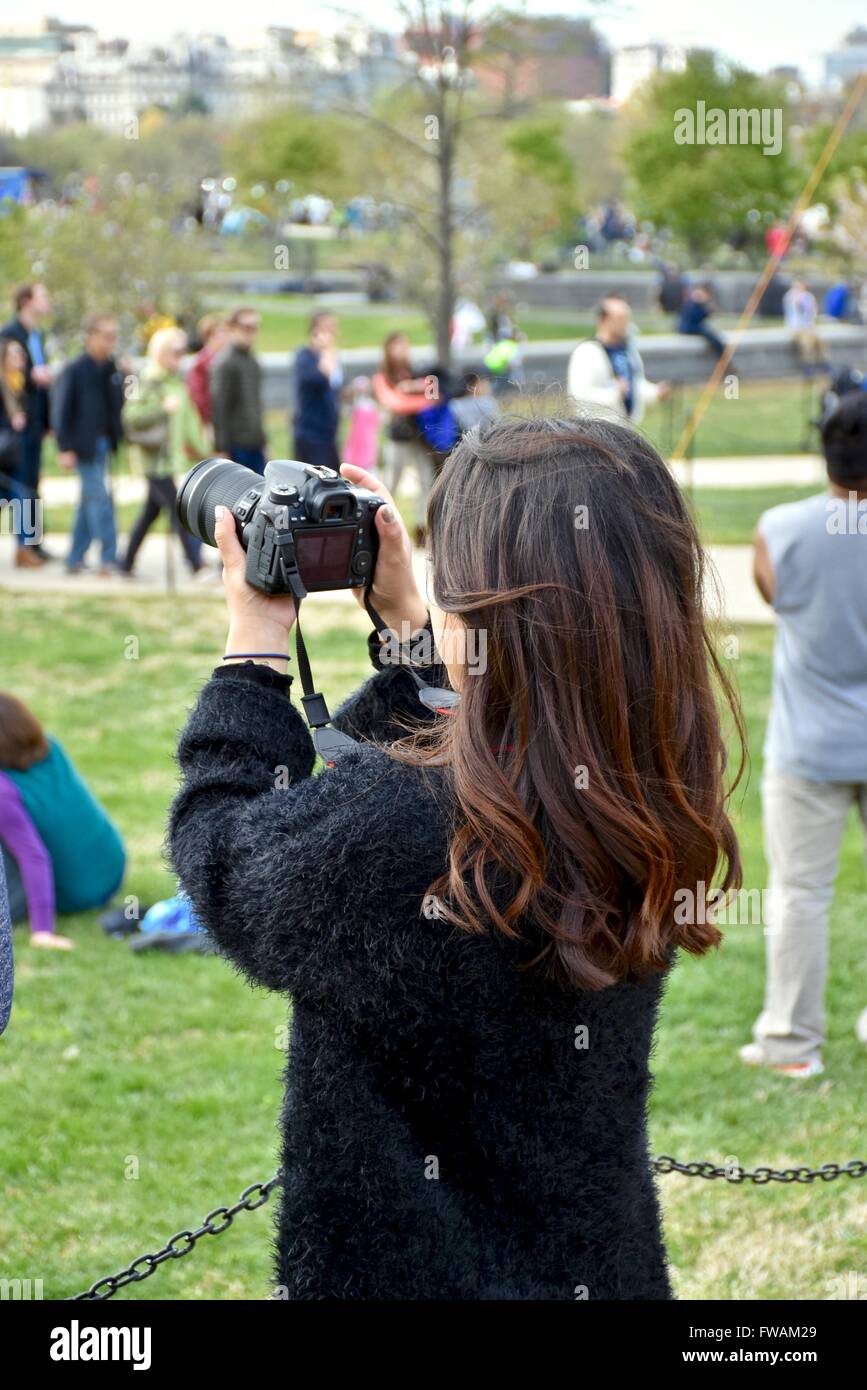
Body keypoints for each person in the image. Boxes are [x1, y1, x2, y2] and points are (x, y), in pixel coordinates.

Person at [169, 413, 742, 1300]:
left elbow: (224, 859)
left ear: (485, 598)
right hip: (598, 1264)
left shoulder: (397, 833)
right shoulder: (646, 790)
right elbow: (487, 735)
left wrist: (252, 656)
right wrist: (408, 638)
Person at [746, 392, 867, 1078]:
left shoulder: (781, 528)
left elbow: (772, 594)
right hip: (822, 743)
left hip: (810, 745)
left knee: (798, 895)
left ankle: (791, 1043)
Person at [0, 692, 125, 943]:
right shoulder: (51, 748)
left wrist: (43, 932)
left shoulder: (3, 791)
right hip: (110, 872)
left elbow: (32, 854)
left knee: (12, 835)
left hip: (72, 892)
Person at [120, 327, 209, 578]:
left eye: (183, 351)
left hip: (169, 461)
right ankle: (196, 565)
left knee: (151, 513)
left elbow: (189, 421)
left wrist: (206, 450)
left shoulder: (175, 381)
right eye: (175, 351)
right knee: (180, 511)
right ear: (160, 351)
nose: (180, 356)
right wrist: (161, 408)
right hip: (153, 461)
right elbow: (130, 416)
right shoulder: (144, 379)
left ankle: (125, 564)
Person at [52, 312, 124, 576]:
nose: (111, 341)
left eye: (114, 336)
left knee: (87, 501)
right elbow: (60, 411)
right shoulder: (75, 369)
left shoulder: (111, 368)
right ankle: (108, 557)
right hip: (83, 446)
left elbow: (118, 404)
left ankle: (74, 557)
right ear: (91, 337)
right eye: (106, 336)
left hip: (104, 443)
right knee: (100, 500)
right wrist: (64, 447)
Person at [1, 282, 54, 563]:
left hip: (34, 423)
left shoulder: (38, 335)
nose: (48, 300)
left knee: (33, 485)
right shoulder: (9, 334)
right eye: (43, 295)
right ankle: (23, 547)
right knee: (19, 487)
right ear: (26, 301)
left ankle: (32, 544)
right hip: (14, 428)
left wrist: (47, 422)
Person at [372, 332, 437, 546]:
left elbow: (434, 394)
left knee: (427, 481)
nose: (402, 350)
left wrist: (412, 390)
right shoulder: (382, 375)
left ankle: (420, 527)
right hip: (397, 439)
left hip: (419, 436)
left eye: (405, 345)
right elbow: (393, 403)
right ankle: (382, 527)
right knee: (390, 483)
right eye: (397, 346)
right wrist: (418, 397)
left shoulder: (416, 371)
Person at [568, 295, 670, 424]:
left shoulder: (628, 350)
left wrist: (656, 393)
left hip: (627, 431)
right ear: (603, 319)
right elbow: (578, 396)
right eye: (620, 318)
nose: (625, 323)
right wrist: (614, 395)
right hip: (597, 430)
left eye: (627, 317)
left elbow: (635, 385)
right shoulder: (587, 352)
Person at [211, 307, 266, 473]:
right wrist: (222, 448)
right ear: (233, 328)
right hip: (236, 446)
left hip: (255, 442)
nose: (251, 333)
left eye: (255, 327)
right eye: (246, 327)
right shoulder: (224, 362)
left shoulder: (252, 360)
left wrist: (263, 441)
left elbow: (256, 405)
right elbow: (219, 408)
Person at [292, 311, 343, 469]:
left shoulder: (332, 357)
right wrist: (326, 354)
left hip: (329, 432)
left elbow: (335, 387)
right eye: (325, 329)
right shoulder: (305, 357)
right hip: (310, 433)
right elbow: (319, 378)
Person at [186, 313, 228, 426]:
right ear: (210, 336)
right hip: (210, 421)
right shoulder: (202, 363)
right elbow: (198, 398)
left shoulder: (224, 359)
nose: (226, 337)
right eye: (221, 333)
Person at [782, 280, 827, 369]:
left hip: (808, 328)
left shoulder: (808, 296)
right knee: (807, 343)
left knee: (819, 342)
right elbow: (795, 305)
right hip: (796, 328)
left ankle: (823, 364)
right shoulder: (790, 296)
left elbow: (812, 312)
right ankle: (807, 366)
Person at [342, 376, 380, 473]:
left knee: (368, 463)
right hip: (355, 439)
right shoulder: (354, 405)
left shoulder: (371, 405)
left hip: (367, 439)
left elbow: (376, 423)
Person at [678, 285, 726, 359]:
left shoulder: (694, 303)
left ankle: (722, 356)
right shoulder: (692, 304)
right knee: (713, 337)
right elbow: (695, 317)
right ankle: (722, 358)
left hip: (690, 326)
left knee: (713, 335)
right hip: (689, 327)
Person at [450, 370, 498, 435]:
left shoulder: (454, 404)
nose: (486, 387)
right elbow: (495, 423)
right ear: (471, 386)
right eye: (481, 384)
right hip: (488, 438)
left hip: (463, 439)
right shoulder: (487, 401)